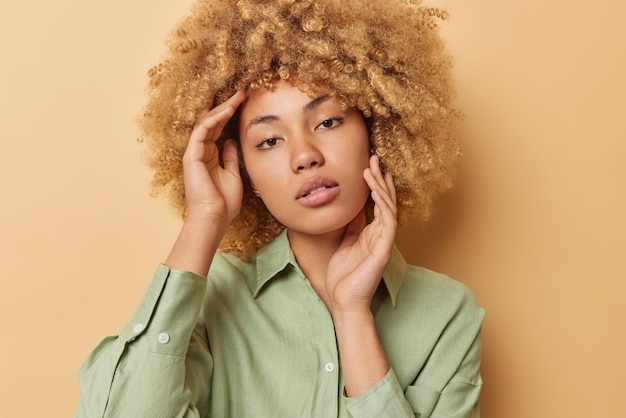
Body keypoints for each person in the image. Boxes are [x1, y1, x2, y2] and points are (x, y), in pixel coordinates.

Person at [74, 0, 485, 416]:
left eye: (327, 122)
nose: (304, 156)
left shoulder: (446, 314)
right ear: (243, 168)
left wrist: (352, 314)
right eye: (269, 140)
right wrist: (204, 219)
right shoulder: (210, 295)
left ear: (377, 129)